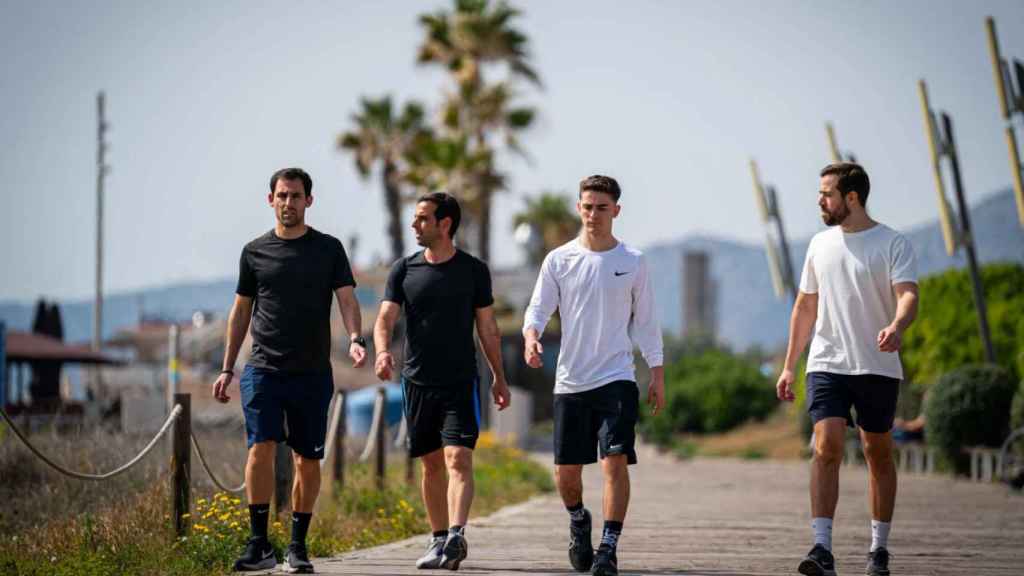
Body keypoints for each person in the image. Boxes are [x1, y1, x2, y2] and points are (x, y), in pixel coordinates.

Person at [212, 167, 366, 574]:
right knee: (260, 447)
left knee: (306, 460)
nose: (288, 202)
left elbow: (347, 300)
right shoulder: (254, 252)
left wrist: (356, 338)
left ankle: (297, 546)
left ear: (308, 201)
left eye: (296, 196)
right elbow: (240, 312)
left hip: (311, 372)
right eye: (281, 195)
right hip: (263, 368)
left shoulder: (328, 249)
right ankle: (259, 543)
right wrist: (227, 368)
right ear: (270, 200)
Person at [777, 162, 919, 576]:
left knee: (878, 453)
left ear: (851, 197)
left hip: (877, 364)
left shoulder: (892, 243)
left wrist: (897, 325)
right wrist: (789, 367)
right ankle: (822, 547)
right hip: (827, 363)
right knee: (826, 447)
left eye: (827, 194)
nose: (820, 201)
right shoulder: (819, 244)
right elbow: (805, 307)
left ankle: (879, 548)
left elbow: (908, 295)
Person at [522, 175, 665, 576]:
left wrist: (657, 372)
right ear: (578, 208)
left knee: (614, 461)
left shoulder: (632, 261)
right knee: (566, 476)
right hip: (571, 381)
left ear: (616, 211)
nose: (593, 214)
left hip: (617, 378)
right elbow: (538, 309)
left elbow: (647, 322)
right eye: (587, 207)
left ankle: (608, 548)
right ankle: (578, 519)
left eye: (602, 208)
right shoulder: (559, 260)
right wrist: (531, 338)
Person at [373, 192, 511, 571]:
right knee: (431, 464)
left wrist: (499, 377)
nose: (414, 225)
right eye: (415, 218)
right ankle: (437, 539)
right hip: (417, 382)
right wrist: (382, 352)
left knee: (458, 457)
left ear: (444, 224)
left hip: (460, 381)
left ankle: (455, 535)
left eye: (422, 219)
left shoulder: (473, 271)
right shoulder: (404, 270)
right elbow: (385, 319)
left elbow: (488, 328)